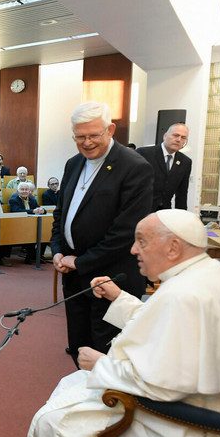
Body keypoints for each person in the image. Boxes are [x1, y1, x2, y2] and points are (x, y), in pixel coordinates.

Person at [11, 209, 220, 437]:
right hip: (204, 413)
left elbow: (165, 384)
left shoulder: (185, 294)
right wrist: (119, 298)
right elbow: (166, 325)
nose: (133, 249)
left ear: (173, 247)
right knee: (71, 385)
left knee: (52, 424)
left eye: (141, 241)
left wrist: (100, 364)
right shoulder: (203, 275)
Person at [50, 101, 153, 365]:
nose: (86, 143)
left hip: (112, 277)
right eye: (79, 137)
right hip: (74, 275)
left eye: (93, 135)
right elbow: (61, 213)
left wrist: (81, 261)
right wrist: (59, 249)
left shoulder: (134, 167)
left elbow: (125, 232)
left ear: (110, 129)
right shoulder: (74, 163)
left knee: (107, 355)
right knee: (79, 348)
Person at [136, 123, 192, 211]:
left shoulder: (185, 162)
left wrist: (182, 217)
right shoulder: (144, 153)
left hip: (164, 212)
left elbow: (182, 193)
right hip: (141, 209)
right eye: (175, 135)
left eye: (183, 137)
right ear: (165, 136)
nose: (178, 140)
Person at [9, 181, 47, 264]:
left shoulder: (32, 199)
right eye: (22, 189)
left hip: (31, 224)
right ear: (18, 191)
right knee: (31, 234)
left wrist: (42, 210)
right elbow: (17, 211)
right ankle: (29, 257)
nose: (24, 191)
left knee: (45, 235)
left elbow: (39, 208)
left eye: (26, 189)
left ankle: (37, 256)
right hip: (18, 225)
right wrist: (33, 211)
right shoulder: (13, 200)